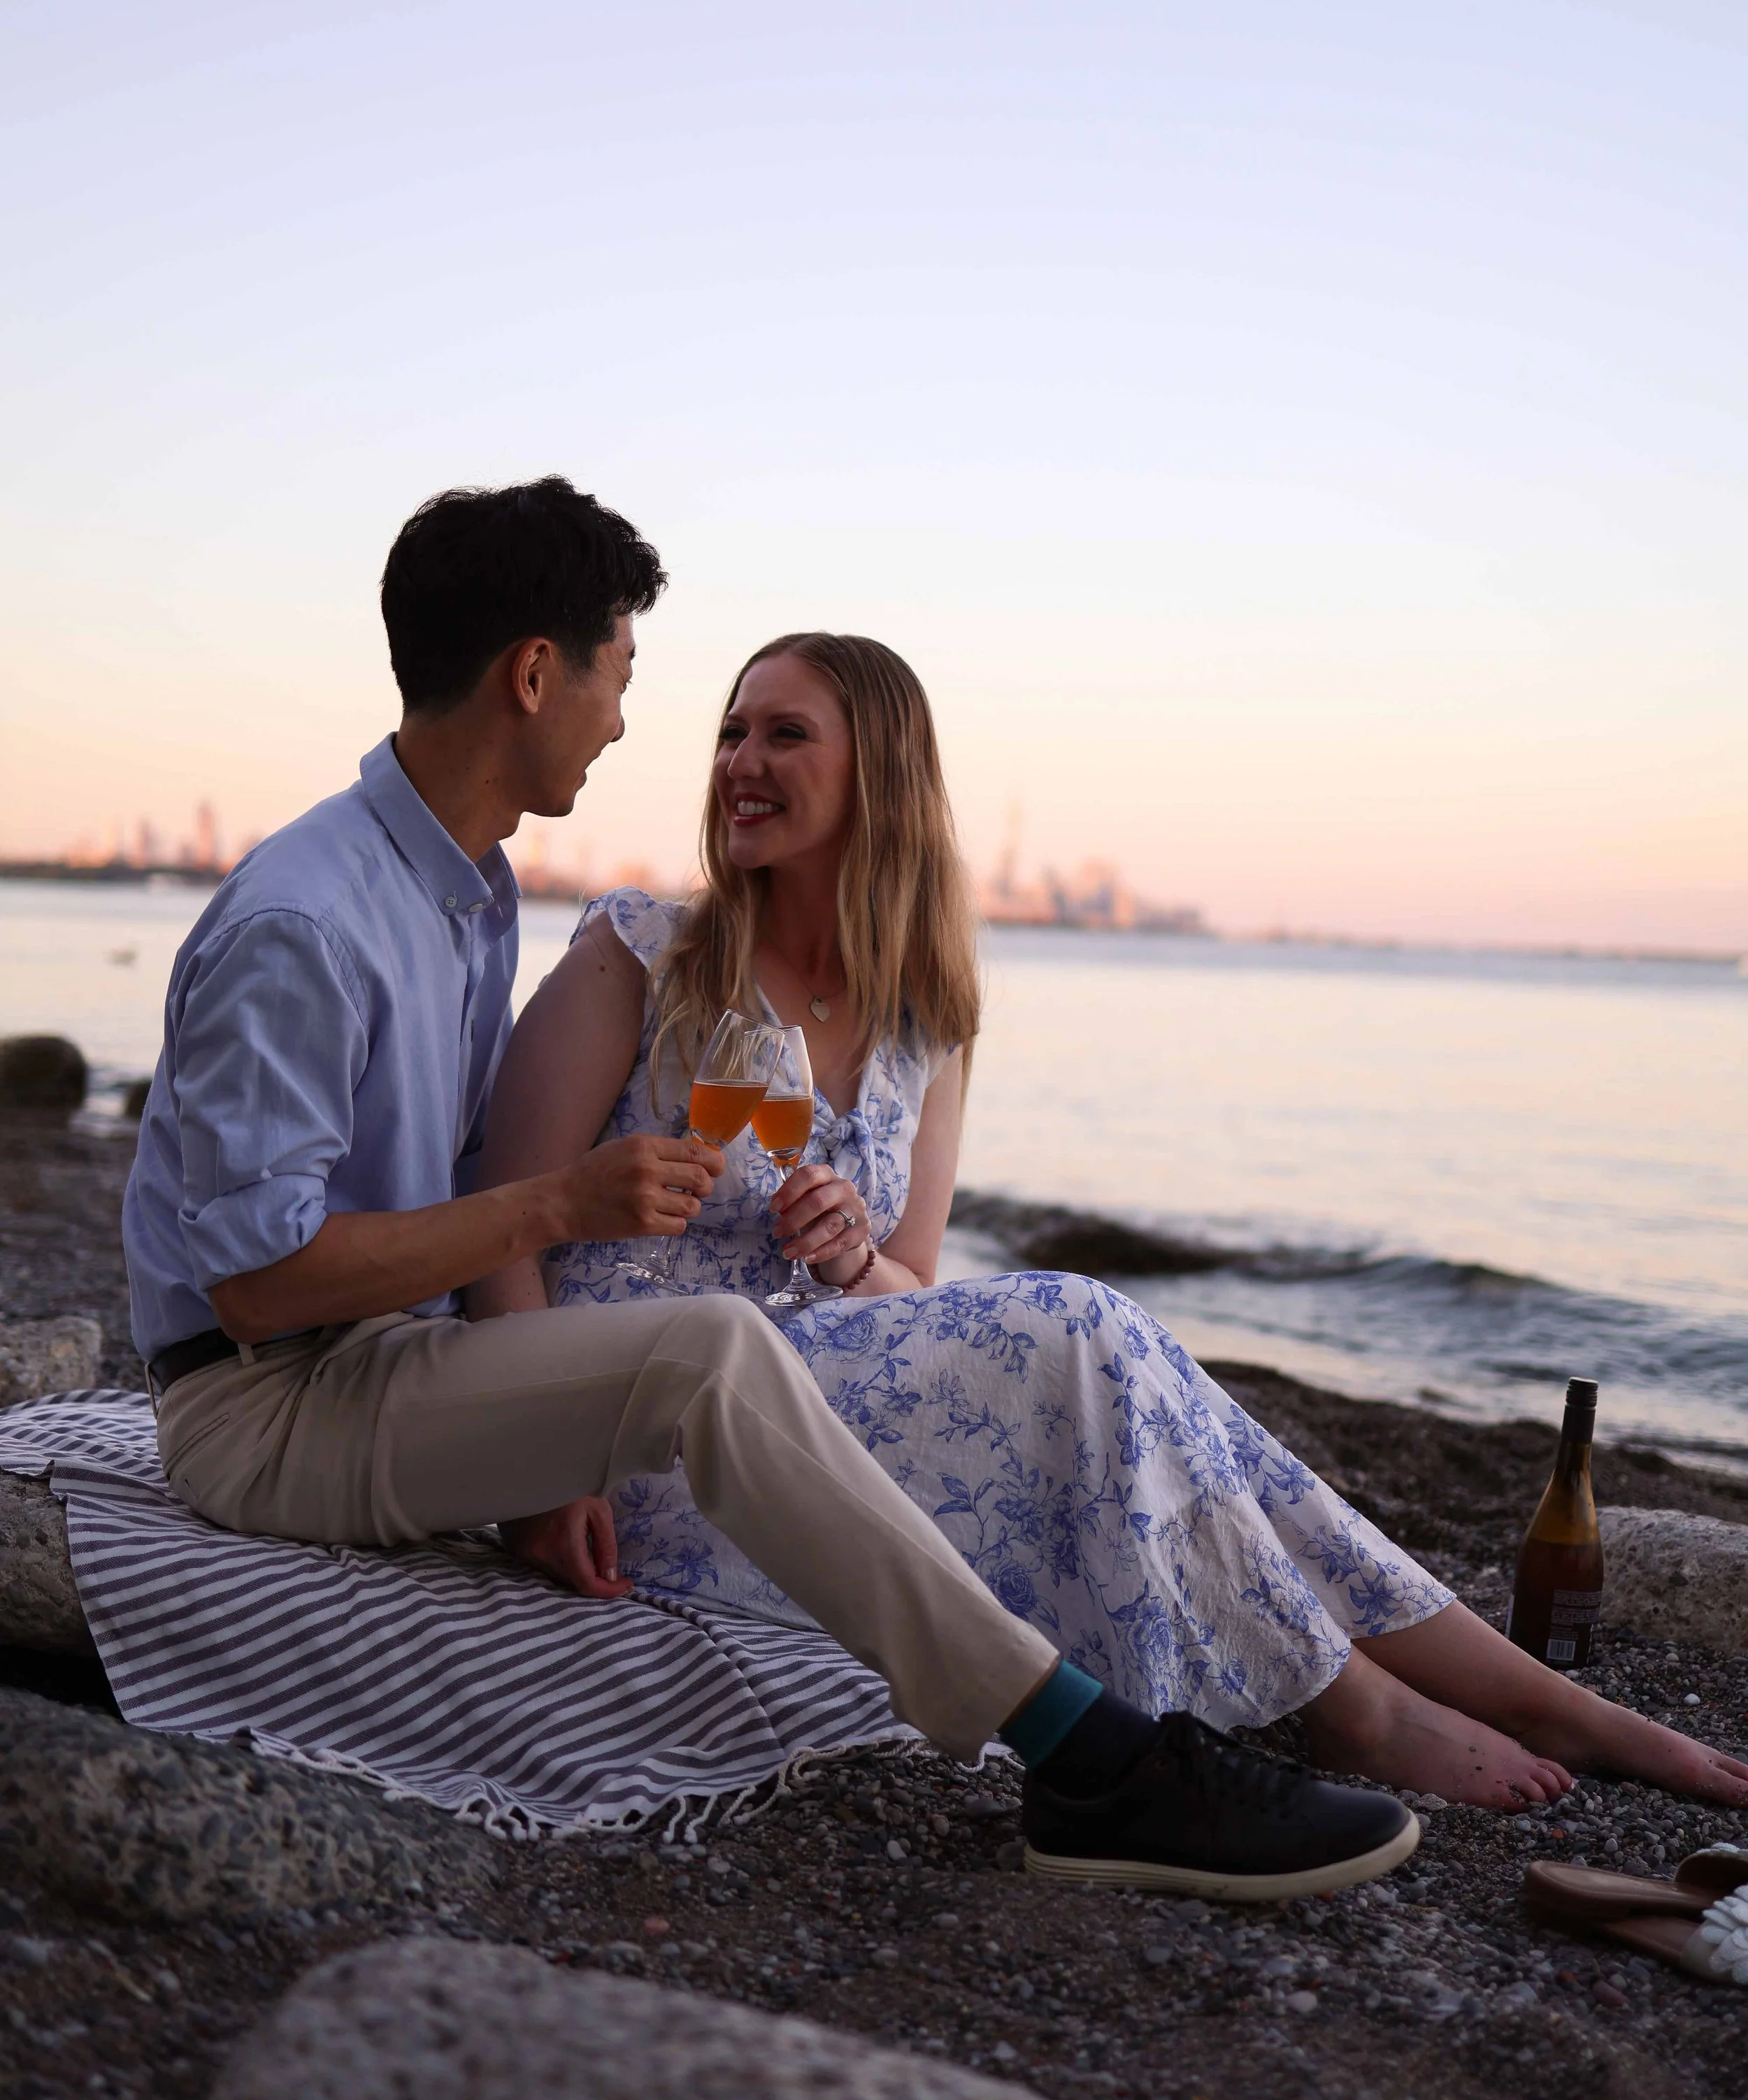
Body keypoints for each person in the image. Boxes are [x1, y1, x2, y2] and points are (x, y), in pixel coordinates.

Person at [121, 476, 1419, 1904]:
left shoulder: (463, 893)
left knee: (860, 1349)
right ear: (536, 674)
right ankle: (1088, 1755)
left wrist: (531, 1428)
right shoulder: (311, 918)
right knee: (715, 1346)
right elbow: (258, 1285)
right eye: (621, 677)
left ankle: (1304, 1694)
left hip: (391, 1367)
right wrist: (556, 1214)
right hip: (266, 1404)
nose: (627, 722)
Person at [471, 630, 1748, 1816]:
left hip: (836, 1403)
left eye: (785, 735)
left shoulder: (926, 1021)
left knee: (1182, 1405)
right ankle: (1355, 1708)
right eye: (732, 731)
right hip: (658, 1429)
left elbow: (914, 1284)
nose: (741, 762)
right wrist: (541, 1469)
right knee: (1088, 1322)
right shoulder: (643, 949)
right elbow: (500, 1217)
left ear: (883, 777)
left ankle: (1546, 1699)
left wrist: (855, 1256)